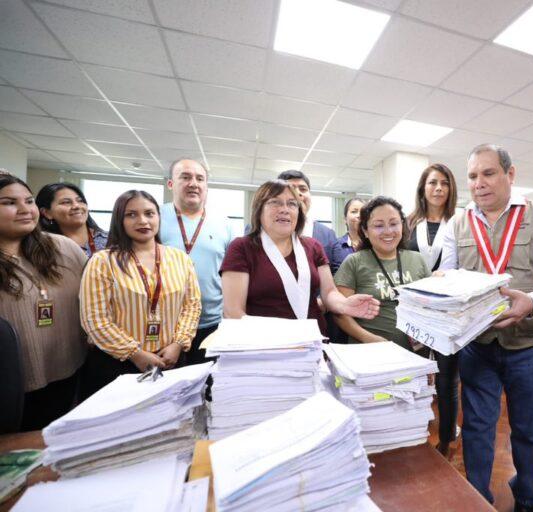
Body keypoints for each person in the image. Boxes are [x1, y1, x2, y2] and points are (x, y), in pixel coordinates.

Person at [439, 144, 533, 511]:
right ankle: (478, 499)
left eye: (488, 173)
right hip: (477, 344)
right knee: (477, 428)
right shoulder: (457, 223)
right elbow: (448, 275)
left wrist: (532, 302)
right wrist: (441, 286)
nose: (479, 183)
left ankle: (528, 498)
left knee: (529, 430)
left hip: (530, 344)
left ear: (510, 174)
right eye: (472, 176)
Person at [79, 190, 202, 398]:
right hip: (118, 363)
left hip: (170, 358)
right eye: (131, 215)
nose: (143, 221)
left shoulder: (179, 258)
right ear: (119, 219)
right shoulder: (102, 261)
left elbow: (192, 306)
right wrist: (135, 354)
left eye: (149, 213)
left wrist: (178, 344)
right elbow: (95, 319)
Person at [220, 180, 379, 330]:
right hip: (263, 346)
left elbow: (329, 292)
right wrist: (284, 336)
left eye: (291, 204)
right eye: (275, 202)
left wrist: (344, 305)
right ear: (259, 210)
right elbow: (234, 313)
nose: (284, 209)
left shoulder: (312, 246)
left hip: (311, 343)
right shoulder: (242, 247)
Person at [0, 175, 88, 430]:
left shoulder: (63, 248)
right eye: (9, 202)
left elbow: (98, 298)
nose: (25, 209)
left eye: (28, 201)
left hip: (70, 373)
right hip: (12, 388)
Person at [406, 163, 459, 457]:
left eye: (444, 183)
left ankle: (447, 439)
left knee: (447, 378)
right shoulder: (409, 222)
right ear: (423, 188)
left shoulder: (459, 223)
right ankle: (411, 431)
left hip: (447, 313)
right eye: (432, 183)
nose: (438, 188)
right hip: (415, 309)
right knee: (413, 373)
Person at [159, 158, 235, 365]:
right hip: (165, 326)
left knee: (210, 388)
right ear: (171, 184)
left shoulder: (225, 224)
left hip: (211, 324)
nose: (193, 183)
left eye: (200, 178)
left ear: (206, 186)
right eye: (185, 177)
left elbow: (232, 277)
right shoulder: (153, 217)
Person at [334, 196, 430, 350]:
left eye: (394, 224)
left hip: (416, 355)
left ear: (402, 226)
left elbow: (432, 308)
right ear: (365, 230)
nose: (388, 231)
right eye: (379, 225)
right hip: (370, 353)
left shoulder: (418, 260)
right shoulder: (354, 262)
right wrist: (369, 339)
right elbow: (340, 314)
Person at [36, 182, 107, 257]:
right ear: (47, 213)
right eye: (66, 202)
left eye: (80, 201)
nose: (76, 206)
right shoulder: (43, 247)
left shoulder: (110, 240)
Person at [277, 170, 337, 258]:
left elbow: (335, 269)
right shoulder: (259, 229)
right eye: (291, 189)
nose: (298, 193)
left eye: (303, 189)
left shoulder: (328, 234)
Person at [329, 197, 365, 274]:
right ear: (345, 219)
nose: (359, 215)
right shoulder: (335, 245)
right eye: (354, 211)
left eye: (362, 212)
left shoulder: (374, 245)